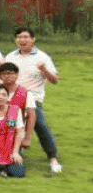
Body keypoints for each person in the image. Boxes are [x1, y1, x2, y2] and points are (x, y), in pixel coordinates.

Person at [4, 27, 62, 173]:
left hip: (33, 98)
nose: (22, 40)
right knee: (10, 125)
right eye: (19, 37)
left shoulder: (42, 57)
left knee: (40, 124)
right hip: (12, 97)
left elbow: (54, 80)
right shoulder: (11, 56)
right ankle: (10, 154)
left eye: (25, 37)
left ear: (33, 39)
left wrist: (44, 70)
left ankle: (53, 158)